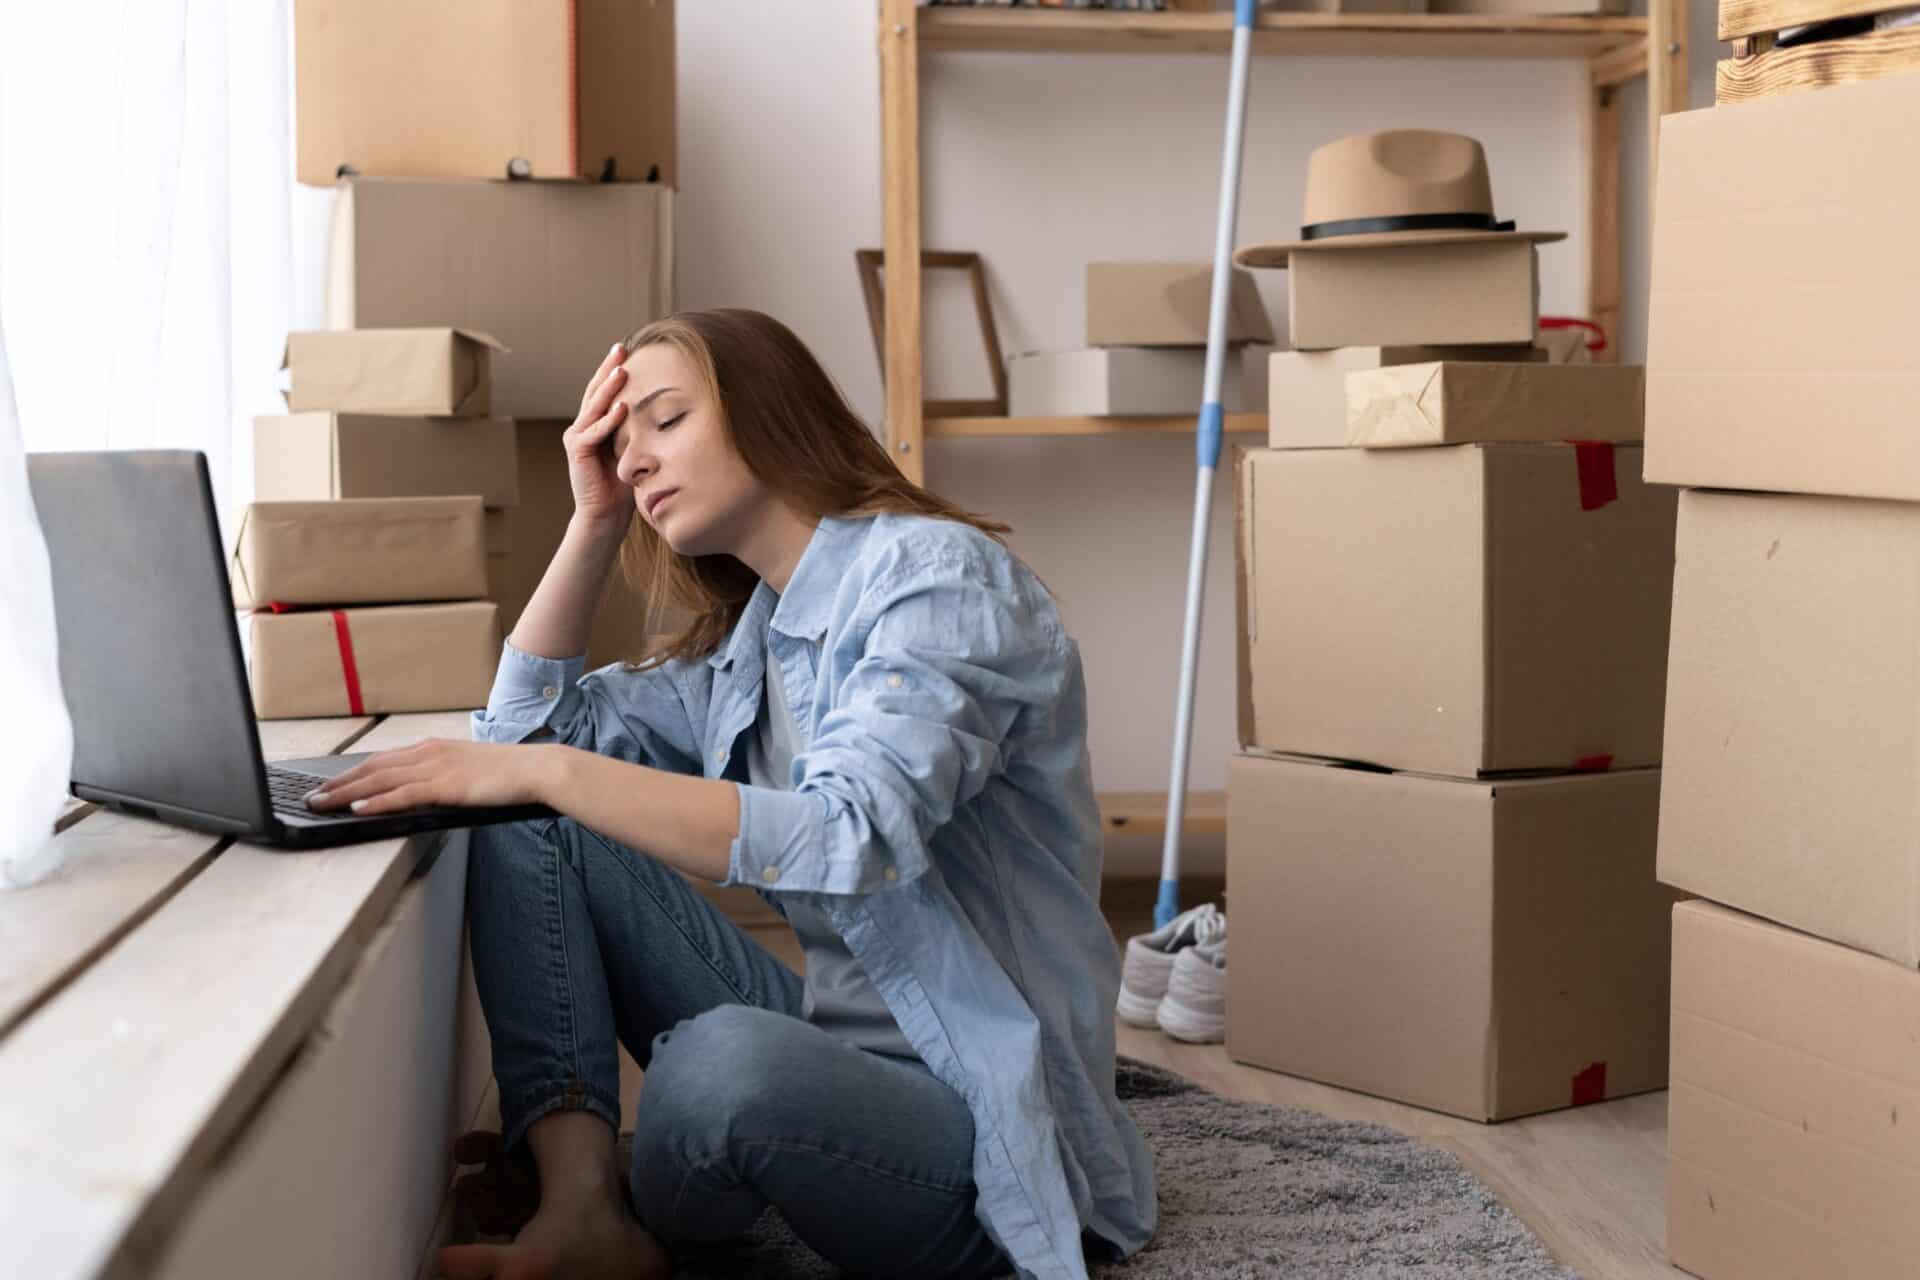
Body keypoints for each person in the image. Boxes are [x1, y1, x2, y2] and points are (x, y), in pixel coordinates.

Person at [305, 308, 1155, 1280]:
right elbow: (525, 740)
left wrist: (543, 770)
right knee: (529, 810)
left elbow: (852, 834)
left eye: (665, 420)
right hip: (841, 1045)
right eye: (621, 444)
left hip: (984, 1124)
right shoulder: (757, 638)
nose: (633, 460)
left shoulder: (940, 585)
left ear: (770, 411)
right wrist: (592, 522)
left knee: (719, 1061)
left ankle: (646, 1198)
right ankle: (584, 1206)